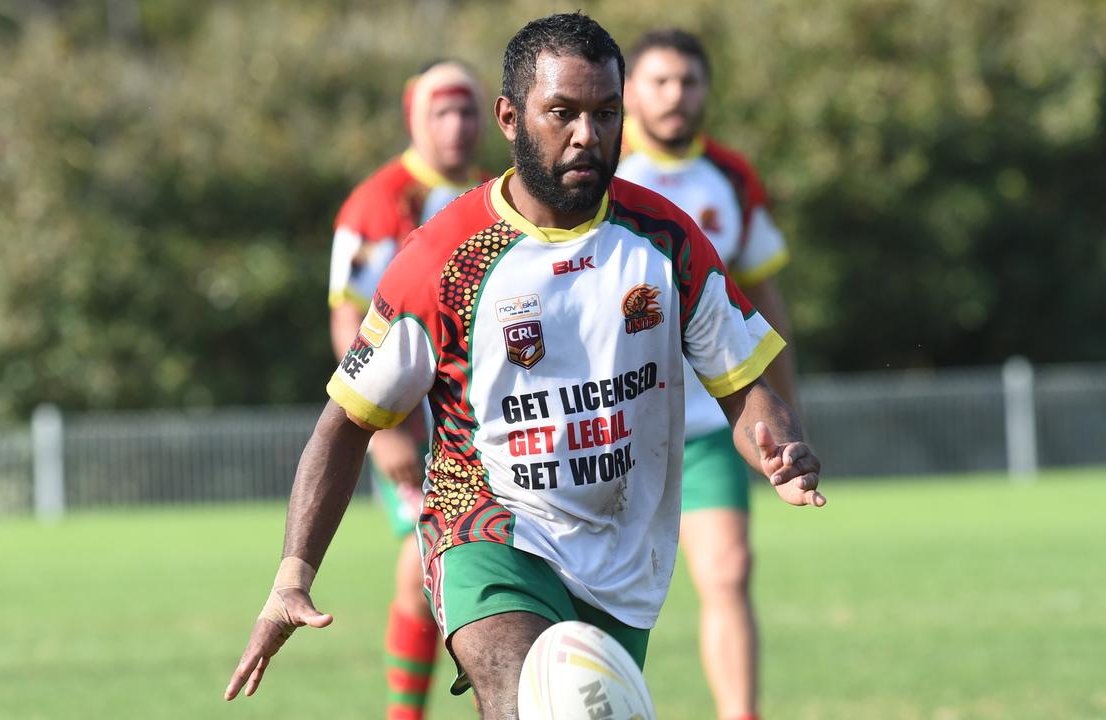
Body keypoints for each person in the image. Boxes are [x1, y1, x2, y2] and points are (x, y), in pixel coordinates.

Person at [226, 13, 825, 719]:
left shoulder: (665, 240)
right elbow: (348, 420)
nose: (586, 134)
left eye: (606, 114)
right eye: (562, 112)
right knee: (526, 696)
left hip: (619, 551)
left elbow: (742, 382)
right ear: (510, 117)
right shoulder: (441, 261)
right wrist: (293, 574)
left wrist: (778, 441)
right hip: (486, 525)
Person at [618, 28, 797, 720]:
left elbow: (766, 300)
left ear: (706, 92)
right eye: (659, 81)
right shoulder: (601, 169)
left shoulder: (729, 176)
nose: (675, 95)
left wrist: (785, 409)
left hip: (708, 425)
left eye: (688, 81)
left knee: (728, 573)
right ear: (630, 92)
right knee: (608, 594)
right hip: (616, 429)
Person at [327, 59, 488, 720]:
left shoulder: (500, 192)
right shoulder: (377, 201)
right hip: (414, 421)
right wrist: (384, 425)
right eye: (441, 112)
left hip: (492, 419)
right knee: (427, 556)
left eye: (467, 111)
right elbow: (347, 317)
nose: (456, 126)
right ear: (413, 117)